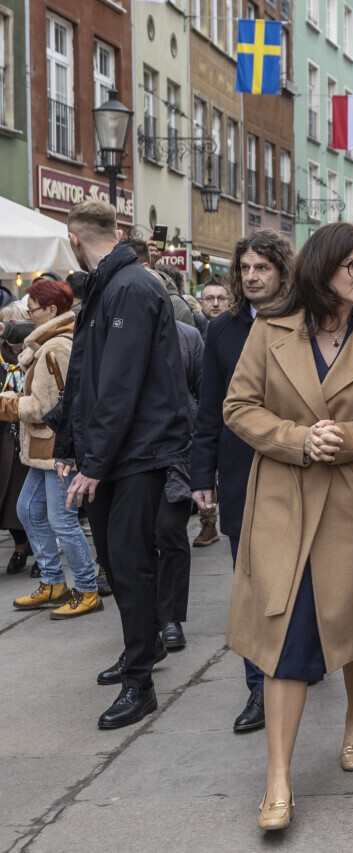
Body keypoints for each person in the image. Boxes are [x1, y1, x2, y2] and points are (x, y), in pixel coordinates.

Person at [223, 222, 353, 831]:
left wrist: (346, 439)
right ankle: (278, 779)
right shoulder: (270, 329)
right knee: (285, 634)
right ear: (322, 267)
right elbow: (238, 407)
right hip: (284, 497)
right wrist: (299, 440)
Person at [55, 200, 191, 729]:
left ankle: (141, 683)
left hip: (137, 453)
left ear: (74, 238)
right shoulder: (107, 284)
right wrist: (69, 447)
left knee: (130, 565)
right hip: (113, 453)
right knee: (115, 559)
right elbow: (84, 377)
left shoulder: (131, 286)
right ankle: (145, 645)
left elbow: (119, 385)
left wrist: (92, 462)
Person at [192, 229, 293, 733]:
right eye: (245, 268)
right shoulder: (222, 329)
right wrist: (201, 474)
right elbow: (210, 407)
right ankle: (258, 687)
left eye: (262, 268)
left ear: (282, 272)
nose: (252, 277)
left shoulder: (307, 320)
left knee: (299, 581)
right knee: (250, 583)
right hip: (240, 471)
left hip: (298, 469)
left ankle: (300, 662)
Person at [6, 279, 99, 618]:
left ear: (51, 310)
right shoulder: (50, 341)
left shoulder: (55, 347)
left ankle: (87, 589)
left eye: (32, 308)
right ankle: (53, 582)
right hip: (46, 447)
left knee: (62, 520)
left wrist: (6, 404)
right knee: (29, 510)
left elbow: (44, 407)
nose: (29, 313)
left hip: (57, 447)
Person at [152, 308, 203, 653]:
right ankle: (144, 619)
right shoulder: (114, 332)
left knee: (170, 532)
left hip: (177, 452)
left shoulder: (188, 336)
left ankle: (170, 617)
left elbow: (203, 393)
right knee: (133, 541)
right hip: (130, 453)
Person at [0, 302, 32, 578]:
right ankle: (20, 545)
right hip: (5, 435)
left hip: (32, 432)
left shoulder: (36, 351)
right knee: (8, 498)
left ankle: (41, 552)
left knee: (33, 501)